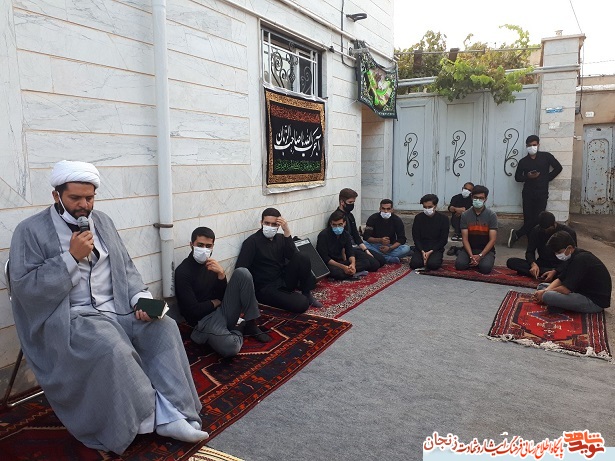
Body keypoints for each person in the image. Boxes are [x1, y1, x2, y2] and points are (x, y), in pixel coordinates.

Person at [8, 161, 207, 455]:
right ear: (56, 196)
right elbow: (25, 290)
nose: (83, 205)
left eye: (89, 198)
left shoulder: (103, 222)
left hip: (117, 307)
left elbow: (125, 267)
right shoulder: (29, 231)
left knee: (164, 327)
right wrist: (70, 259)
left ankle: (176, 409)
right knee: (112, 346)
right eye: (75, 198)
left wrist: (140, 299)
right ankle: (154, 419)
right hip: (71, 316)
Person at [175, 227, 271, 358]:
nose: (204, 249)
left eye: (208, 246)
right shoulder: (183, 272)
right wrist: (214, 303)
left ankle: (251, 323)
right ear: (191, 244)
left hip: (222, 311)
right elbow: (192, 311)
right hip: (205, 321)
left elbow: (222, 296)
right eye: (200, 245)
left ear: (213, 246)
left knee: (243, 272)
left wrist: (221, 275)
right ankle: (239, 328)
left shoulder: (212, 265)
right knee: (231, 347)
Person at [235, 207, 322, 312]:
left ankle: (306, 293)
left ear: (278, 225)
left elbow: (293, 256)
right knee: (302, 303)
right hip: (265, 288)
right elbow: (240, 270)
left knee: (303, 256)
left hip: (282, 280)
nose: (270, 226)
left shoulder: (280, 238)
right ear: (261, 223)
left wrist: (287, 231)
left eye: (274, 224)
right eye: (267, 223)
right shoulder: (251, 242)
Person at [533, 231, 611, 314]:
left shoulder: (580, 259)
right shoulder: (574, 255)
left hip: (594, 302)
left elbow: (565, 290)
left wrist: (545, 293)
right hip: (580, 291)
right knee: (542, 286)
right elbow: (560, 279)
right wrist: (545, 290)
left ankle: (559, 304)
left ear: (569, 248)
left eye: (559, 252)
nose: (557, 255)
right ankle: (560, 304)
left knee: (547, 296)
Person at [509, 135, 562, 247]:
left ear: (538, 145)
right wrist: (528, 176)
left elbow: (558, 167)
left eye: (534, 145)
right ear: (526, 146)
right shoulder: (523, 161)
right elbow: (517, 177)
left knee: (538, 219)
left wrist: (547, 178)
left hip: (542, 193)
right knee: (528, 218)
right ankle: (530, 244)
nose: (532, 147)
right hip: (528, 193)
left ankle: (517, 234)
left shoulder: (546, 157)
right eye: (529, 145)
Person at [506, 211, 577, 282]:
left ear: (554, 224)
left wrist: (556, 271)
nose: (545, 231)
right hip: (542, 263)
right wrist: (533, 264)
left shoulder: (569, 232)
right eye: (543, 229)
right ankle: (546, 274)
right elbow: (530, 251)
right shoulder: (536, 230)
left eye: (548, 229)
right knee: (512, 262)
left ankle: (549, 274)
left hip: (560, 265)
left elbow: (573, 256)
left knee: (571, 270)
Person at [337, 188, 385, 271]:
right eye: (350, 202)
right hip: (348, 249)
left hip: (355, 246)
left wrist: (366, 250)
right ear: (342, 202)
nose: (352, 205)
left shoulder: (350, 215)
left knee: (381, 260)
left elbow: (356, 235)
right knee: (375, 265)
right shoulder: (337, 217)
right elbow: (340, 241)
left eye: (353, 202)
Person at [455, 185, 498, 274]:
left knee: (485, 268)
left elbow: (492, 240)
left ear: (485, 199)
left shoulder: (491, 215)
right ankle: (464, 255)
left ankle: (480, 261)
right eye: (475, 197)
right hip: (469, 248)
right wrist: (471, 256)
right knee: (460, 265)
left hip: (485, 250)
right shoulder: (465, 215)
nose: (478, 200)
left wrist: (480, 255)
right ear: (471, 197)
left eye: (481, 198)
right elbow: (465, 239)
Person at [317, 210, 372, 280]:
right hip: (330, 264)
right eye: (334, 225)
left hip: (341, 262)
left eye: (340, 224)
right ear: (331, 224)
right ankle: (352, 273)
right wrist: (343, 267)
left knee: (366, 262)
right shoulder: (323, 235)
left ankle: (350, 272)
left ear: (344, 223)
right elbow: (325, 258)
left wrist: (352, 264)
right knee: (337, 273)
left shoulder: (346, 234)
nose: (337, 227)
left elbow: (350, 252)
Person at [362, 199, 411, 264]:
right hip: (374, 245)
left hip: (391, 247)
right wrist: (380, 240)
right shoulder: (373, 218)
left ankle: (381, 257)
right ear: (380, 209)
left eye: (388, 209)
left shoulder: (397, 220)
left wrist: (389, 248)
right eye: (383, 209)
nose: (385, 211)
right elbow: (366, 237)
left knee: (406, 248)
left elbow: (402, 239)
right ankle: (389, 259)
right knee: (363, 244)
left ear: (392, 210)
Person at [410, 194, 449, 270]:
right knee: (415, 264)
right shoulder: (418, 218)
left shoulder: (443, 219)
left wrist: (431, 251)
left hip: (435, 248)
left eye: (430, 207)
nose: (427, 209)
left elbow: (443, 240)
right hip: (422, 247)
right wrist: (422, 251)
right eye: (425, 207)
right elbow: (416, 237)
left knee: (433, 265)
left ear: (435, 206)